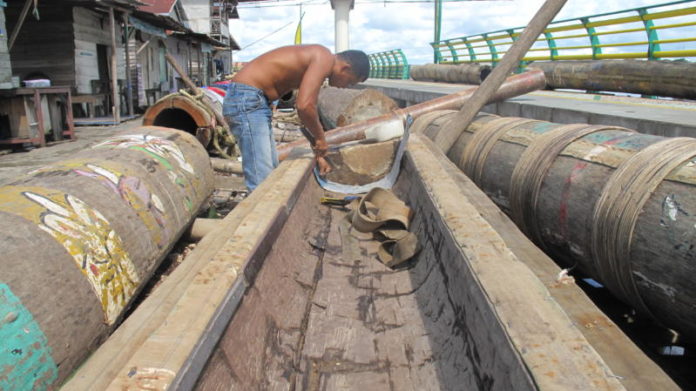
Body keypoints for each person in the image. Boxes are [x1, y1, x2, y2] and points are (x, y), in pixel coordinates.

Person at [223, 44, 370, 191]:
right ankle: (257, 213)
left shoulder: (319, 61)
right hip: (247, 98)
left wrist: (318, 153)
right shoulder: (324, 57)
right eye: (350, 81)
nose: (345, 87)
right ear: (345, 68)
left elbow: (306, 114)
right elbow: (304, 106)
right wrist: (321, 138)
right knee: (261, 179)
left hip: (255, 101)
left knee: (269, 170)